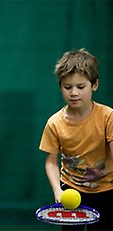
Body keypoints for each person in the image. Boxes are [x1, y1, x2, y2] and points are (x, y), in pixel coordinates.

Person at [39, 48, 113, 230]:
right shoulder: (54, 123)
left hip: (106, 190)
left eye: (80, 87)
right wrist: (58, 190)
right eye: (67, 87)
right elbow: (51, 162)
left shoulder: (108, 116)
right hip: (71, 189)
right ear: (60, 86)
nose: (74, 92)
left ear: (94, 85)